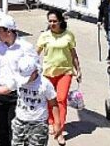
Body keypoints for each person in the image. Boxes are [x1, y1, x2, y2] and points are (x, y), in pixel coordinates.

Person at [0, 53, 62, 146]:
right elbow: (5, 89)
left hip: (38, 123)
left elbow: (53, 104)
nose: (25, 81)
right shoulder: (18, 79)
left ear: (35, 72)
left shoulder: (45, 84)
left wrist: (57, 123)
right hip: (20, 121)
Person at [0, 15, 35, 146]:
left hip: (16, 94)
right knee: (2, 129)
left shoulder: (25, 47)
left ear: (9, 31)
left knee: (15, 129)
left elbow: (36, 69)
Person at [36, 10, 80, 144]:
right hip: (48, 72)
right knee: (50, 99)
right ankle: (51, 121)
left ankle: (59, 130)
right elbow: (35, 54)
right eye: (50, 21)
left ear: (61, 21)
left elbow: (73, 54)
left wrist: (78, 70)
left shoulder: (69, 35)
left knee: (61, 99)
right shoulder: (44, 36)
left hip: (65, 72)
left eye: (55, 21)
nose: (52, 24)